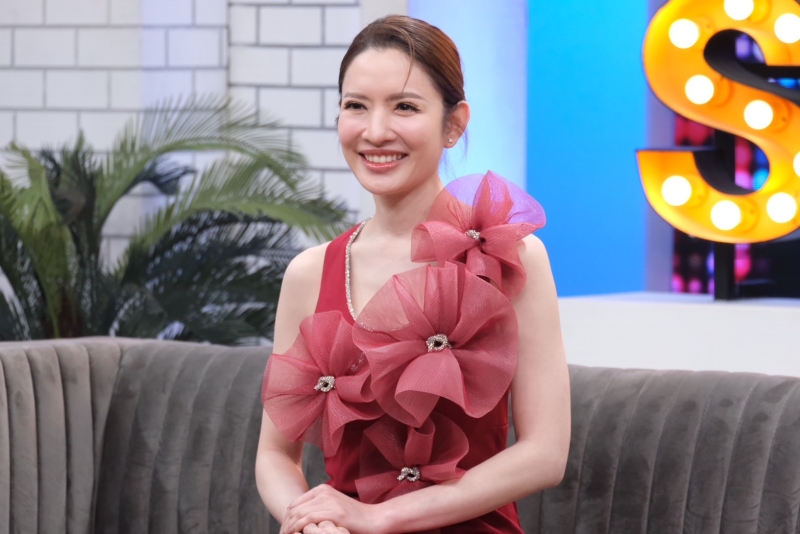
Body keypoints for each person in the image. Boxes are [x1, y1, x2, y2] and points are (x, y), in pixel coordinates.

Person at [255, 15, 571, 534]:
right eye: (356, 106)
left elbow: (545, 453)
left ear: (454, 123)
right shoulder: (309, 273)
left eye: (404, 107)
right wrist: (314, 522)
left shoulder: (512, 256)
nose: (375, 131)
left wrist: (378, 517)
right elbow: (274, 455)